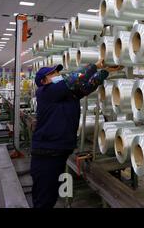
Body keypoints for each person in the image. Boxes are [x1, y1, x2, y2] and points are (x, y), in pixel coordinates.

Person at [31, 59, 121, 208]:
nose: (57, 74)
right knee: (44, 197)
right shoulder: (45, 92)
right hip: (45, 154)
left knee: (51, 194)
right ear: (44, 81)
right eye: (53, 73)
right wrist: (96, 65)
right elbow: (74, 78)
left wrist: (106, 72)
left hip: (58, 152)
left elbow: (87, 86)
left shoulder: (65, 94)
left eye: (57, 71)